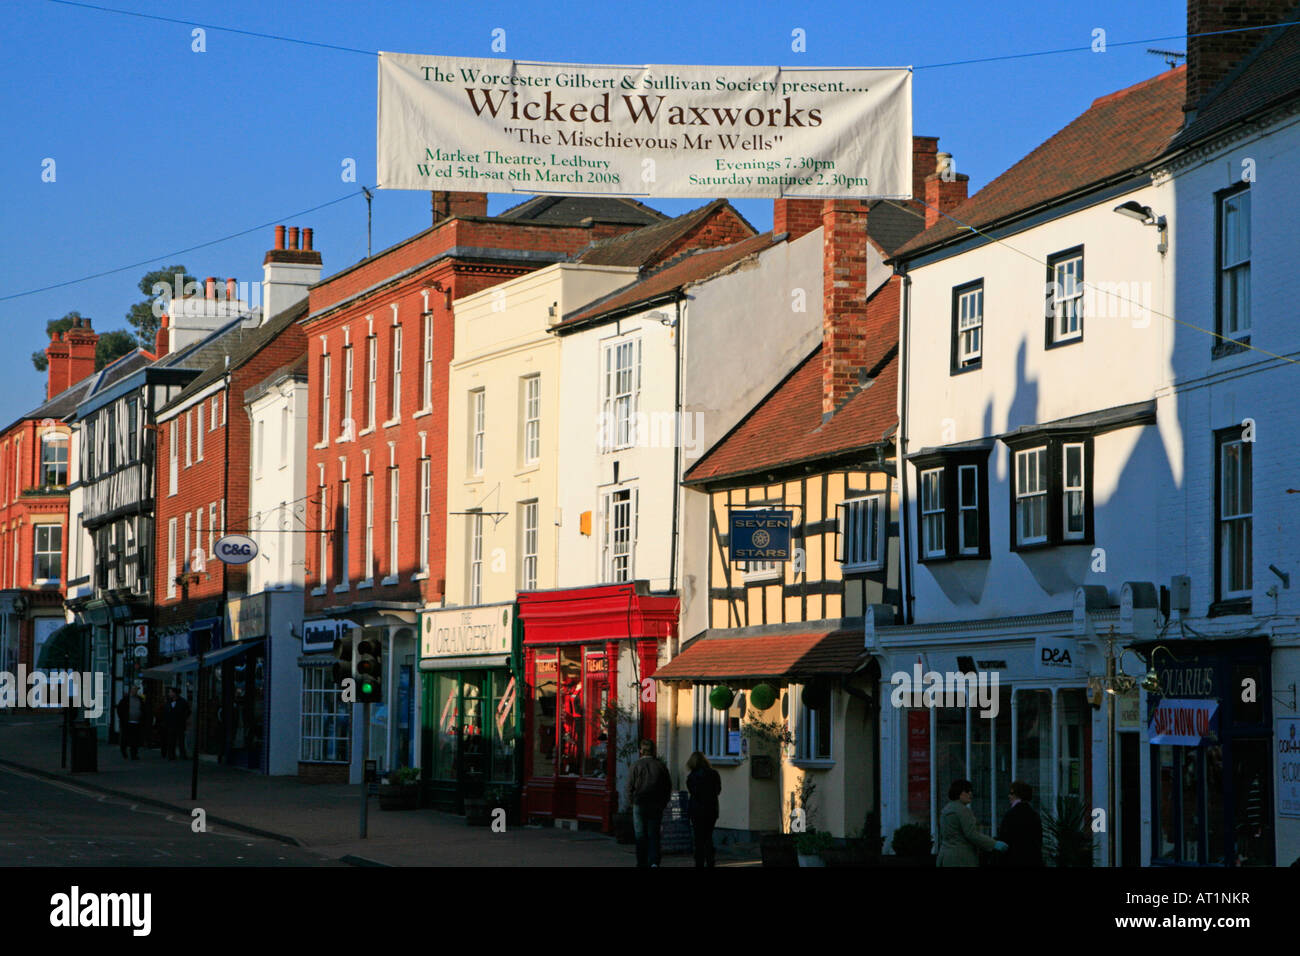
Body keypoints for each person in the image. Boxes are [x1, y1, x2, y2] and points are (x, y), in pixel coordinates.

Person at [936, 778, 1007, 867]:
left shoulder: (946, 809)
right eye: (967, 791)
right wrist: (994, 844)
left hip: (945, 856)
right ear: (959, 793)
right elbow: (972, 834)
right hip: (962, 858)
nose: (970, 794)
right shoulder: (963, 810)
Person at [625, 739, 672, 867]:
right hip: (656, 804)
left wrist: (632, 801)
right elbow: (667, 786)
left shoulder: (635, 765)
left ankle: (641, 862)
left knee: (640, 835)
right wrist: (663, 802)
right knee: (654, 834)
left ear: (641, 750)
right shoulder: (660, 766)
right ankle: (654, 861)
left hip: (640, 803)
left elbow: (629, 786)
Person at [686, 751, 722, 867]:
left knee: (698, 839)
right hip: (711, 810)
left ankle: (699, 862)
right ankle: (711, 861)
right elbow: (718, 790)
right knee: (708, 836)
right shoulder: (714, 774)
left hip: (697, 811)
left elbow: (693, 791)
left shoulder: (691, 777)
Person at [997, 780, 1044, 866]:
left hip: (1013, 859)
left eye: (1011, 793)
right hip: (1032, 859)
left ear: (1017, 795)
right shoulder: (1034, 815)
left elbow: (1004, 839)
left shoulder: (1011, 815)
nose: (1009, 796)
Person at [116, 685, 146, 760]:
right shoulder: (125, 699)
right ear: (131, 691)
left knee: (135, 740)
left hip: (136, 722)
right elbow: (120, 709)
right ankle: (124, 751)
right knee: (125, 739)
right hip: (127, 723)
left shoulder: (140, 699)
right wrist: (123, 719)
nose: (135, 691)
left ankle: (134, 754)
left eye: (136, 690)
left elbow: (143, 710)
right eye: (133, 690)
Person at [163, 687, 191, 761]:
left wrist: (183, 718)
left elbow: (187, 711)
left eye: (170, 692)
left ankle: (182, 754)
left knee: (181, 740)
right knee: (171, 740)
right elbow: (165, 711)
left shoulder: (182, 702)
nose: (169, 694)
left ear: (174, 693)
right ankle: (171, 755)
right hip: (170, 724)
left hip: (179, 724)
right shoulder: (169, 702)